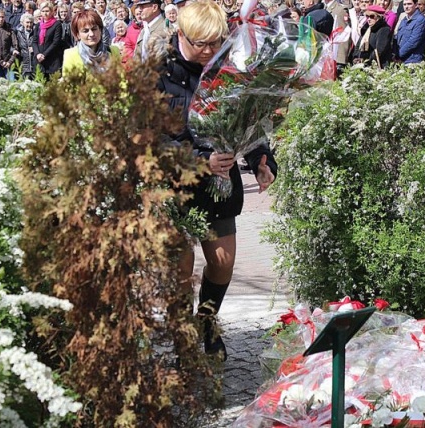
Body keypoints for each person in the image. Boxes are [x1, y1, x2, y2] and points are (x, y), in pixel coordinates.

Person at [157, 0, 277, 361]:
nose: (210, 51)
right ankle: (182, 341)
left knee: (223, 262)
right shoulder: (156, 72)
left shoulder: (230, 68)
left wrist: (261, 159)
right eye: (202, 44)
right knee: (179, 271)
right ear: (181, 35)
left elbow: (248, 120)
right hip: (173, 186)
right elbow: (149, 139)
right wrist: (199, 160)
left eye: (216, 43)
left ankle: (207, 321)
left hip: (219, 185)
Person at [62, 9, 119, 74]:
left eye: (94, 29)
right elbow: (69, 80)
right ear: (78, 35)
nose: (91, 34)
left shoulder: (114, 51)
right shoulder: (70, 55)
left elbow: (121, 77)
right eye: (85, 31)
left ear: (100, 30)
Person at [32, 1, 63, 79]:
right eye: (43, 11)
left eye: (47, 11)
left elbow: (56, 42)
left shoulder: (57, 24)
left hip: (52, 60)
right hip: (39, 60)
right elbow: (34, 41)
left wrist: (44, 55)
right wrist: (37, 54)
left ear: (52, 12)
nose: (45, 13)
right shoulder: (38, 25)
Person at [16, 13, 34, 78]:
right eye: (27, 22)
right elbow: (13, 46)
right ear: (22, 23)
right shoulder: (17, 33)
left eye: (31, 22)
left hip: (34, 64)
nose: (29, 24)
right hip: (23, 63)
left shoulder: (36, 32)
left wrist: (34, 48)